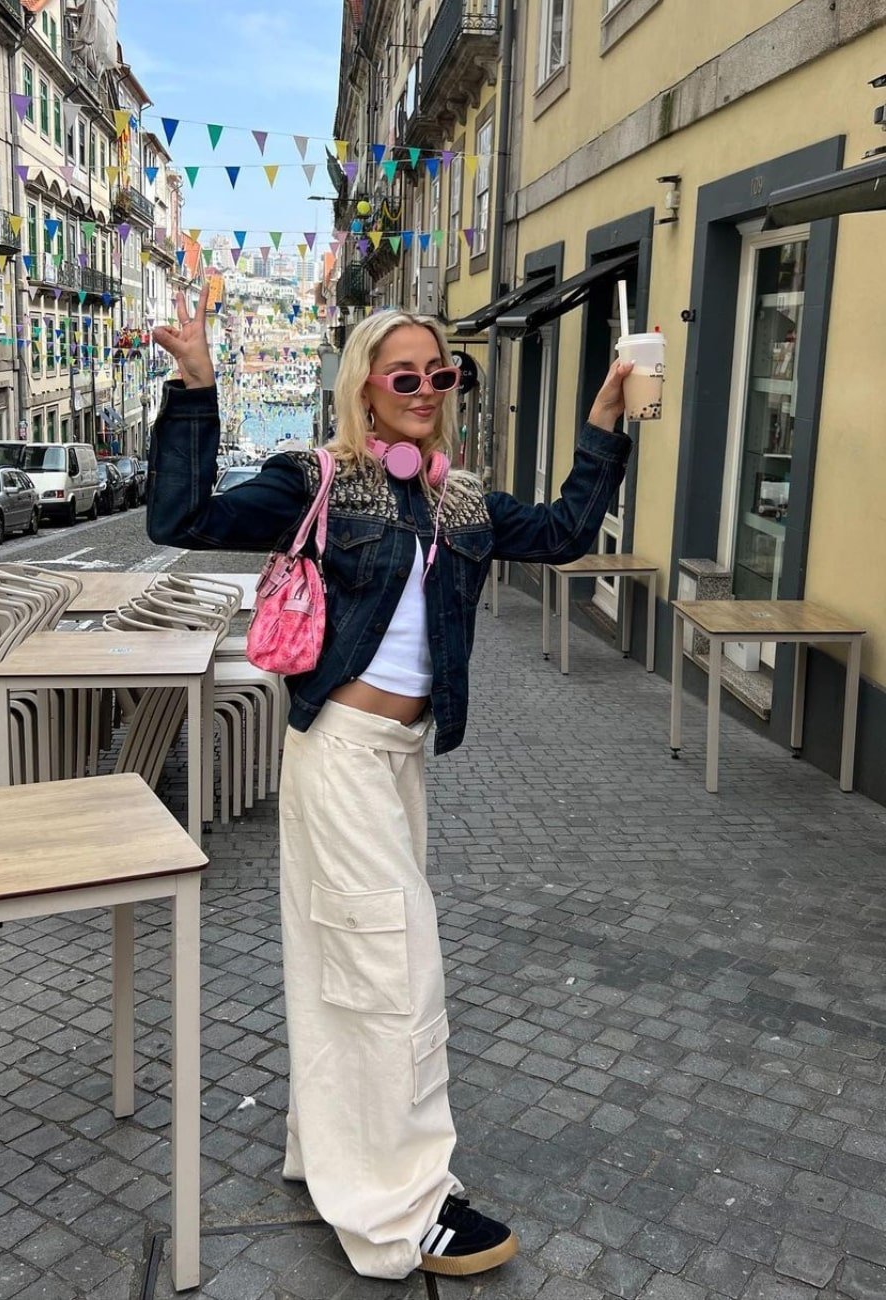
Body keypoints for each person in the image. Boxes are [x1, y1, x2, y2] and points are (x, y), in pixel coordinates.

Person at [147, 293, 634, 1281]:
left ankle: (328, 1153)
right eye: (401, 375)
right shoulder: (318, 480)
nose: (422, 390)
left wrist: (607, 415)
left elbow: (566, 530)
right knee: (395, 973)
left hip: (399, 764)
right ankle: (402, 1208)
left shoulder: (461, 500)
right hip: (338, 754)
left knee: (352, 962)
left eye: (438, 374)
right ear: (365, 386)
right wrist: (196, 388)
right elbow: (181, 515)